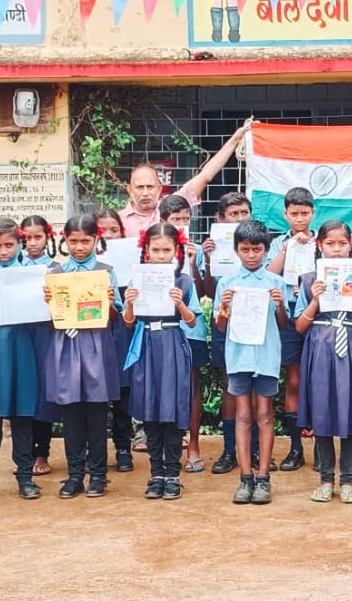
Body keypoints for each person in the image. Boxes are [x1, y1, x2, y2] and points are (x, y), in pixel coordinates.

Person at [293, 221, 352, 504]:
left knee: (350, 411)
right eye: (330, 244)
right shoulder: (308, 279)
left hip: (350, 347)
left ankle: (348, 479)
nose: (337, 249)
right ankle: (326, 478)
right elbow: (299, 326)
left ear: (351, 245)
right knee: (323, 410)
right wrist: (315, 300)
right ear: (320, 246)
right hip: (320, 348)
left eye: (342, 243)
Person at [45, 215, 122, 500]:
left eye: (85, 241)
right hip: (66, 345)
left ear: (95, 240)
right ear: (64, 240)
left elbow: (115, 318)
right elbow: (48, 319)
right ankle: (75, 475)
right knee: (71, 413)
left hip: (96, 345)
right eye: (73, 241)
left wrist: (109, 300)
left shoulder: (105, 272)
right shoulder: (54, 273)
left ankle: (98, 475)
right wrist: (48, 302)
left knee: (96, 413)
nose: (79, 247)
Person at [0, 219, 44, 501]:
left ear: (20, 244)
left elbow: (42, 315)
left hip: (21, 346)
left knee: (22, 414)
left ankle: (25, 477)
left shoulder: (31, 275)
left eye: (9, 245)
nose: (3, 251)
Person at [125, 222, 199, 500]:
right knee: (150, 408)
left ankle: (173, 474)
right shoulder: (137, 279)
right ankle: (156, 473)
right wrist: (129, 303)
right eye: (155, 250)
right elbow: (129, 322)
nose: (160, 255)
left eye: (166, 250)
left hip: (172, 344)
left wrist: (179, 304)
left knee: (172, 408)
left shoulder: (184, 281)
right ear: (146, 250)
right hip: (145, 345)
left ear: (176, 250)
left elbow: (192, 321)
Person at [215, 220, 286, 505]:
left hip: (266, 357)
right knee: (242, 416)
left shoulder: (276, 283)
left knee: (265, 415)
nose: (251, 255)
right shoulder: (226, 283)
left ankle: (264, 477)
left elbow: (283, 324)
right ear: (236, 250)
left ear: (266, 250)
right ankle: (245, 478)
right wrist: (224, 307)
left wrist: (280, 305)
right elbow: (220, 326)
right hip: (239, 357)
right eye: (245, 249)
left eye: (257, 249)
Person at [201, 192, 257, 474]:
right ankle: (228, 449)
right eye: (233, 214)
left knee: (257, 383)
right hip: (226, 320)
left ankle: (254, 449)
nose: (239, 218)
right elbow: (209, 292)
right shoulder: (214, 247)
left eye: (244, 213)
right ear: (220, 218)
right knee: (230, 384)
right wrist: (208, 259)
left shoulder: (257, 244)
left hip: (256, 321)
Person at [118, 120, 250, 234]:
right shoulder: (118, 221)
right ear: (130, 190)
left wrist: (235, 140)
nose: (145, 193)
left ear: (159, 189)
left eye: (150, 187)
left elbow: (206, 175)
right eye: (140, 187)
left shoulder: (173, 205)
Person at [268, 187, 317, 471]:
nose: (299, 219)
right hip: (287, 315)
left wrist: (307, 287)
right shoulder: (278, 243)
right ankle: (296, 447)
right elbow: (269, 274)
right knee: (294, 380)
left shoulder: (321, 241)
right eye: (294, 213)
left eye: (304, 213)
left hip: (316, 316)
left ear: (313, 213)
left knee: (319, 379)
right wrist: (288, 249)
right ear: (285, 214)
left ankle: (322, 446)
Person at [160, 195, 209, 474]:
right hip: (161, 332)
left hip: (191, 329)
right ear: (164, 221)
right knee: (164, 386)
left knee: (192, 387)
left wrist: (191, 262)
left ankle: (194, 445)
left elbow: (201, 294)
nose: (181, 224)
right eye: (175, 219)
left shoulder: (195, 250)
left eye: (185, 219)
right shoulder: (153, 251)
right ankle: (168, 446)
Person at [93, 208, 139, 474]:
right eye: (103, 231)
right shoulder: (87, 264)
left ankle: (123, 447)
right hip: (93, 333)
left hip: (122, 329)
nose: (109, 236)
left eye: (115, 230)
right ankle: (94, 449)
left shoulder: (133, 260)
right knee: (95, 391)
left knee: (123, 391)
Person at [20, 215, 58, 478]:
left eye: (38, 237)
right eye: (28, 238)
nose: (33, 243)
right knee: (23, 391)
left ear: (48, 238)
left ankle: (42, 451)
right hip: (21, 333)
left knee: (43, 392)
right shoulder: (13, 268)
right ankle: (24, 454)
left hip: (46, 333)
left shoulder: (57, 270)